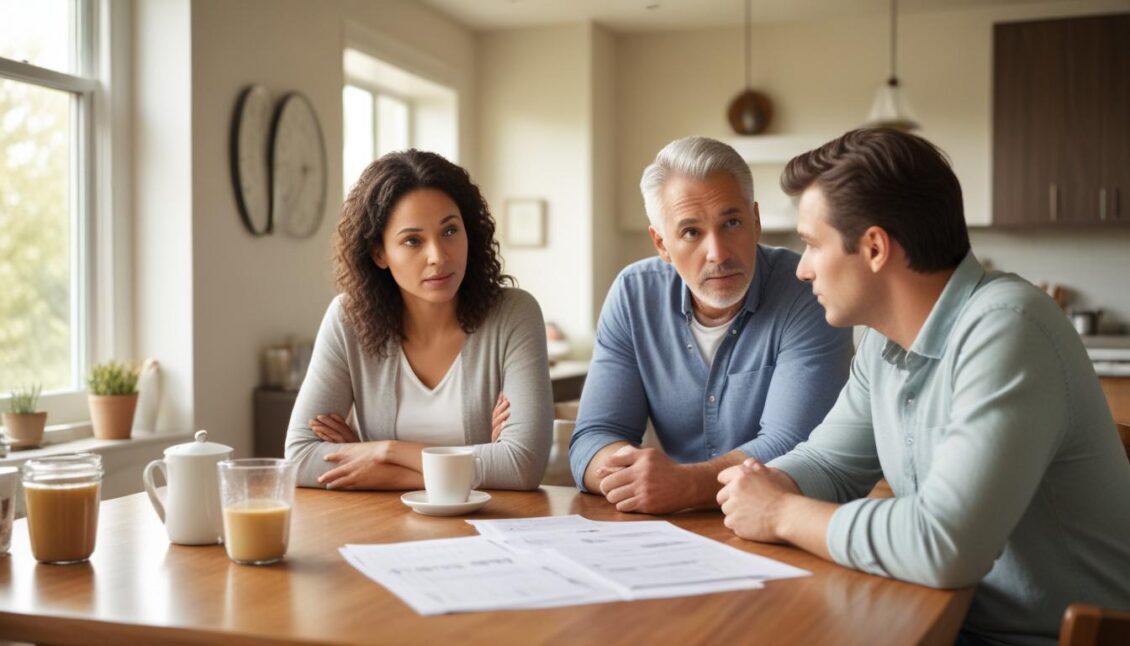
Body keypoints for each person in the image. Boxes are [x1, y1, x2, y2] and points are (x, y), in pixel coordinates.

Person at [717, 128, 1130, 645]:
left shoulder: (1008, 328)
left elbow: (944, 545)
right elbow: (829, 464)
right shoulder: (882, 345)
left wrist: (780, 511)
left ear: (873, 248)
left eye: (811, 244)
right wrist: (762, 483)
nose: (801, 269)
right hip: (952, 619)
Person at [569, 136, 853, 514]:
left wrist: (685, 485)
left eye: (731, 222)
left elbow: (795, 444)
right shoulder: (633, 294)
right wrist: (632, 476)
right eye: (691, 232)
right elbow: (593, 436)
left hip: (789, 522)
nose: (718, 253)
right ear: (661, 244)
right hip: (677, 528)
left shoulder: (806, 289)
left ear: (755, 221)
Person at [284, 149, 553, 491]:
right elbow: (300, 458)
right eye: (412, 240)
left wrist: (384, 453)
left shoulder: (514, 313)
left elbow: (522, 466)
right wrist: (478, 462)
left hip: (492, 525)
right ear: (379, 253)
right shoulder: (347, 319)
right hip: (382, 529)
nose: (438, 256)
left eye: (450, 231)